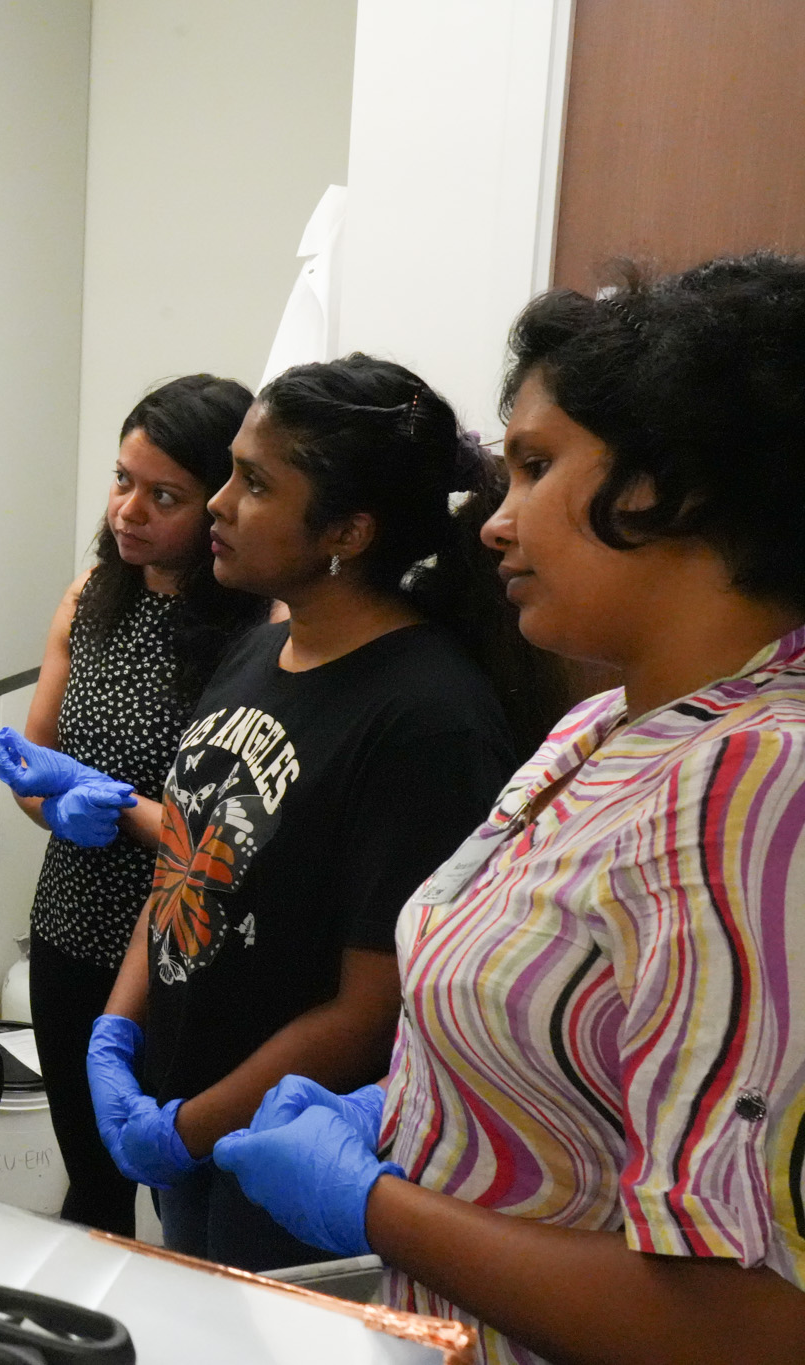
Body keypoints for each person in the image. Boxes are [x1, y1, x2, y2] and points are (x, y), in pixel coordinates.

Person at [212, 256, 805, 1364]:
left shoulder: (757, 790)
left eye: (535, 466)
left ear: (671, 485)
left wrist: (373, 1204)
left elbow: (751, 1318)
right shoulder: (599, 733)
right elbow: (573, 1043)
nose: (493, 520)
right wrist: (406, 1100)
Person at [87, 355, 564, 1270]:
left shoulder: (427, 717)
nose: (219, 504)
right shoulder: (259, 651)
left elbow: (370, 1003)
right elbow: (186, 860)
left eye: (255, 483)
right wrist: (120, 1029)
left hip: (285, 1149)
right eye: (229, 472)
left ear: (347, 528)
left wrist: (194, 1123)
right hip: (185, 1113)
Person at [0, 374, 265, 1237]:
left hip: (185, 952)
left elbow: (241, 836)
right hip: (73, 927)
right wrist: (47, 797)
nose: (128, 511)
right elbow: (40, 772)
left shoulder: (260, 634)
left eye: (163, 495)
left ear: (220, 500)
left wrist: (124, 811)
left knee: (189, 1194)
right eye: (121, 480)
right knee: (94, 1179)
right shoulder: (89, 600)